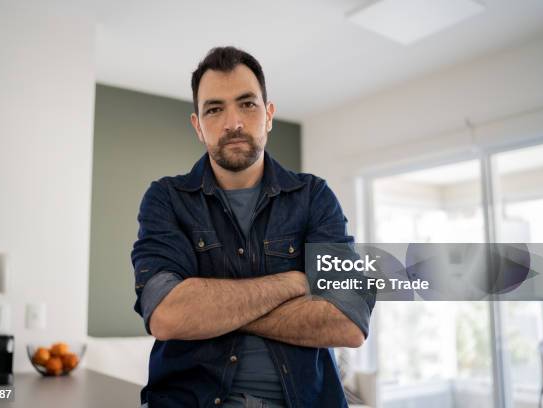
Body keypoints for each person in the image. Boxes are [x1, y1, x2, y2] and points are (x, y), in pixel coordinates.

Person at [131, 46, 375, 408]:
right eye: (214, 109)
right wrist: (297, 281)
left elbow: (349, 322)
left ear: (269, 115)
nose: (233, 123)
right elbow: (167, 316)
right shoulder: (167, 199)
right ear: (198, 126)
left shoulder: (314, 197)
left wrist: (212, 311)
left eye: (247, 104)